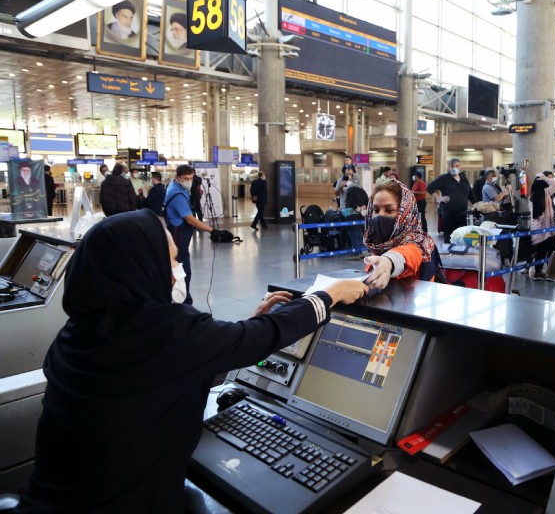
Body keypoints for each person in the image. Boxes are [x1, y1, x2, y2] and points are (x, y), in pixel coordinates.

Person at [14, 209, 367, 513]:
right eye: (171, 258)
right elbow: (261, 336)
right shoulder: (164, 331)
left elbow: (173, 364)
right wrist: (328, 295)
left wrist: (246, 322)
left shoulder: (78, 334)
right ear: (141, 268)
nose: (178, 268)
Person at [363, 182, 435, 289]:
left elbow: (405, 255)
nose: (380, 215)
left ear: (406, 212)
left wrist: (388, 262)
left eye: (389, 210)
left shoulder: (417, 243)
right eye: (376, 210)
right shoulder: (379, 245)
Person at [165, 165, 215, 305]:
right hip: (178, 232)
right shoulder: (177, 194)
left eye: (191, 178)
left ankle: (183, 299)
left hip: (181, 231)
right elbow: (190, 219)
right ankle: (184, 302)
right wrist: (212, 230)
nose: (189, 181)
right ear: (178, 177)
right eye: (185, 179)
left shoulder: (180, 188)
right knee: (182, 268)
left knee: (184, 266)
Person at [427, 159, 476, 243]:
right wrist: (439, 198)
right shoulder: (444, 178)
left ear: (460, 167)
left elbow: (470, 193)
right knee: (450, 236)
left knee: (461, 235)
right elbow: (430, 187)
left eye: (456, 166)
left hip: (462, 212)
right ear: (448, 167)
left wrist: (476, 204)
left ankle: (460, 253)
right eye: (452, 166)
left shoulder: (463, 178)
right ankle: (449, 254)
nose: (454, 168)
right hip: (449, 212)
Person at [530, 172, 555, 281]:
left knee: (543, 250)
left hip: (542, 227)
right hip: (544, 227)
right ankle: (548, 272)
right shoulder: (544, 192)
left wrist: (545, 179)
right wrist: (547, 179)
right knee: (547, 249)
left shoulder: (534, 194)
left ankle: (541, 271)